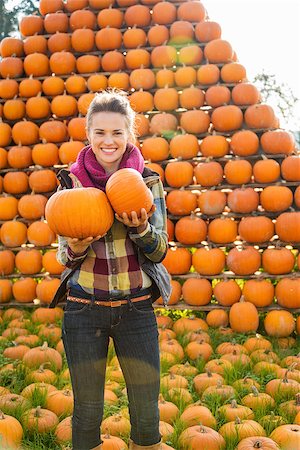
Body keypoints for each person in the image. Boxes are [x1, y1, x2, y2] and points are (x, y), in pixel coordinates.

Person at [56, 90, 171, 450]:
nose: (109, 141)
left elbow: (161, 250)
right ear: (88, 134)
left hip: (137, 308)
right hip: (83, 308)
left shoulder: (148, 182)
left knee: (147, 409)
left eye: (117, 133)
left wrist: (139, 229)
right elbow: (64, 257)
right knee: (88, 409)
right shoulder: (70, 183)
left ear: (129, 135)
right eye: (101, 132)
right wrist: (75, 248)